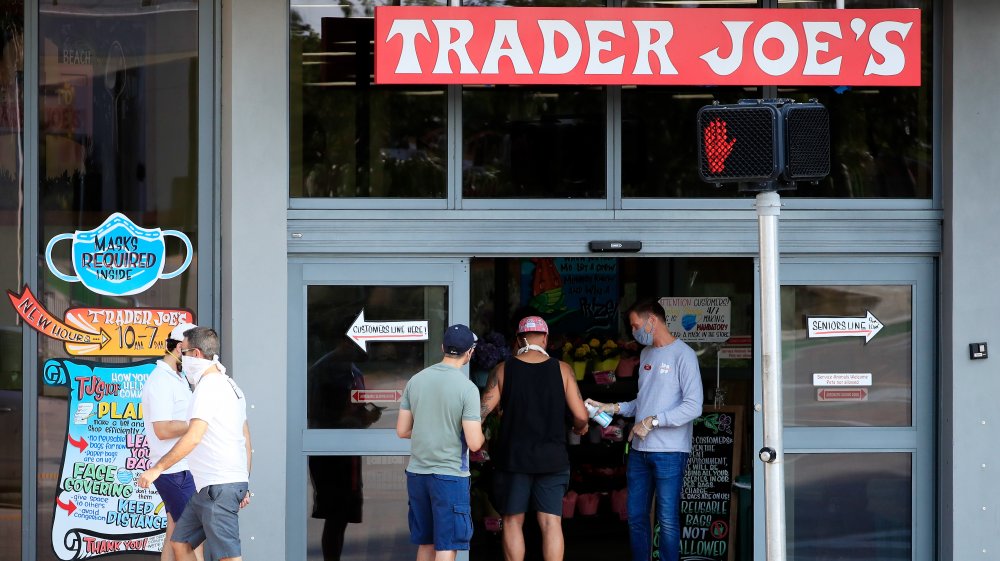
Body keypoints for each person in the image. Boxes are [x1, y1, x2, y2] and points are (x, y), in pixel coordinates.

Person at [586, 300, 704, 561]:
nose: (634, 332)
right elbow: (644, 400)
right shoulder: (647, 354)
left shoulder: (683, 355)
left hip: (670, 452)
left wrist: (652, 421)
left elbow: (694, 406)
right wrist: (612, 406)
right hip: (639, 452)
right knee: (636, 517)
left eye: (635, 325)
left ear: (652, 320)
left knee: (667, 520)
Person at [137, 327, 253, 561]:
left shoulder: (208, 387)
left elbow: (194, 436)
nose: (184, 357)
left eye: (186, 352)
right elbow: (246, 438)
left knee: (228, 556)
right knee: (180, 541)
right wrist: (244, 481)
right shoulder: (229, 385)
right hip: (209, 486)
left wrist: (157, 468)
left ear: (197, 354)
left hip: (218, 486)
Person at [479, 315, 589, 561]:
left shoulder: (503, 370)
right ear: (546, 338)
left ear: (519, 340)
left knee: (512, 521)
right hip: (552, 458)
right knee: (551, 523)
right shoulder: (563, 369)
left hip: (513, 459)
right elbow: (581, 415)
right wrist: (579, 428)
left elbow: (480, 415)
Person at [396, 324, 486, 561]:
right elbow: (475, 443)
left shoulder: (415, 381)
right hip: (449, 476)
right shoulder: (467, 389)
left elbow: (402, 430)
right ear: (470, 352)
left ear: (442, 347)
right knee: (446, 544)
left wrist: (429, 431)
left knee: (426, 542)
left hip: (417, 474)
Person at [140, 322, 204, 561]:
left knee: (174, 533)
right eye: (193, 353)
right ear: (180, 349)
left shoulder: (177, 378)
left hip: (181, 469)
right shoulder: (161, 381)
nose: (197, 359)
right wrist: (198, 424)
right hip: (175, 471)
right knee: (192, 537)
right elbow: (163, 428)